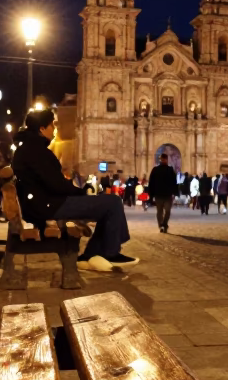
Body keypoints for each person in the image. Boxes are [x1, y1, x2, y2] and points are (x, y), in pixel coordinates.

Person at [11, 109, 137, 269]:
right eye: (51, 125)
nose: (55, 129)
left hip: (42, 204)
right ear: (42, 129)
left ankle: (91, 255)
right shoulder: (36, 151)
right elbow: (56, 184)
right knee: (112, 202)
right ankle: (110, 252)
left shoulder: (29, 149)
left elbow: (52, 182)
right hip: (47, 206)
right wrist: (80, 193)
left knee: (106, 206)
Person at [147, 152, 178, 233]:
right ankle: (161, 225)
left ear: (167, 160)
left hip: (166, 194)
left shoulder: (169, 170)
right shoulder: (156, 170)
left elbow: (174, 182)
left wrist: (175, 192)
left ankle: (164, 224)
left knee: (167, 211)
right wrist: (151, 194)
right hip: (160, 194)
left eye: (164, 159)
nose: (163, 160)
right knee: (160, 211)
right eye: (162, 159)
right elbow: (151, 183)